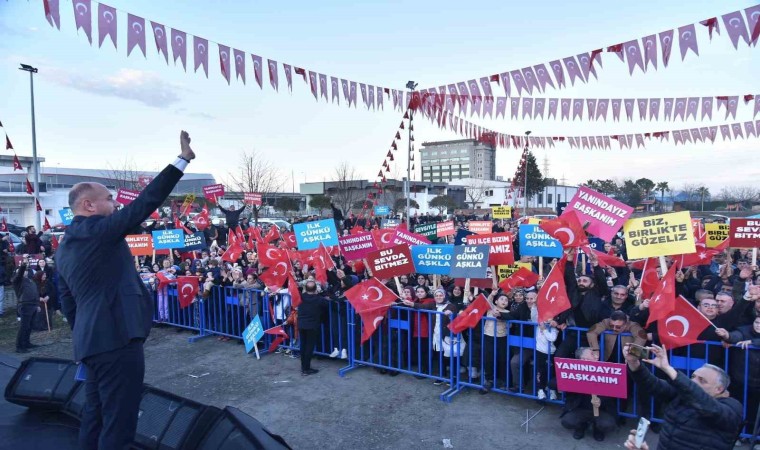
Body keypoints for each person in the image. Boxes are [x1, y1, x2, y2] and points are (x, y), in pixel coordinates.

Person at [56, 131, 196, 449]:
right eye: (109, 199)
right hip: (117, 342)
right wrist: (182, 160)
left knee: (95, 416)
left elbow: (68, 302)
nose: (115, 203)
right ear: (88, 205)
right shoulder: (98, 232)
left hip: (91, 345)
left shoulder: (63, 247)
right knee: (119, 424)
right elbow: (145, 203)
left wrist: (86, 334)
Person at [623, 343, 743, 450]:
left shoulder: (732, 407)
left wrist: (668, 368)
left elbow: (709, 407)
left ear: (719, 389)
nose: (694, 382)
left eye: (702, 380)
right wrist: (633, 363)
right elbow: (651, 383)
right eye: (692, 377)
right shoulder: (680, 394)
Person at [559, 347, 617, 442]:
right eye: (592, 354)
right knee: (567, 421)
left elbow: (614, 390)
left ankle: (597, 429)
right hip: (580, 409)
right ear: (583, 359)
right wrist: (568, 380)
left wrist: (600, 400)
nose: (597, 356)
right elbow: (552, 383)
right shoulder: (574, 372)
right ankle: (581, 426)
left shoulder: (604, 370)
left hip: (601, 410)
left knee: (608, 424)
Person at [297, 280, 329, 375]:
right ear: (316, 289)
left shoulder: (301, 297)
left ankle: (304, 367)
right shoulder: (319, 299)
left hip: (302, 324)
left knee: (303, 346)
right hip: (312, 326)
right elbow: (326, 304)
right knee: (309, 347)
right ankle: (306, 369)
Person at [12, 261, 40, 353]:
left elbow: (36, 293)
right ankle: (19, 346)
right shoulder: (17, 281)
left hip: (33, 305)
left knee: (29, 326)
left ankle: (27, 343)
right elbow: (20, 273)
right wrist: (23, 265)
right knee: (24, 326)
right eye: (24, 271)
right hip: (25, 305)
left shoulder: (31, 281)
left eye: (27, 270)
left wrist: (37, 305)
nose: (25, 272)